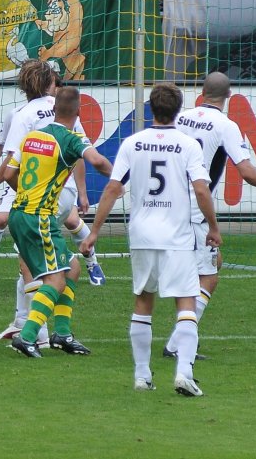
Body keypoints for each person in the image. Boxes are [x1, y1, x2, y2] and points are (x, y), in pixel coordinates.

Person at [81, 83, 222, 396]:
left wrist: (93, 231)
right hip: (177, 236)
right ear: (178, 110)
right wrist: (213, 226)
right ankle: (184, 372)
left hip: (142, 234)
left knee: (144, 300)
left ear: (152, 109)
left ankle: (142, 376)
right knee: (186, 301)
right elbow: (201, 190)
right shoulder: (188, 145)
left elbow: (112, 188)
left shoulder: (133, 143)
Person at [162, 72, 256, 358]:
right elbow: (247, 171)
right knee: (207, 279)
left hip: (167, 206)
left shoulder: (182, 117)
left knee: (210, 265)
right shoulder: (226, 126)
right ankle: (177, 344)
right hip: (194, 210)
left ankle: (179, 339)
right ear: (229, 96)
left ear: (202, 91)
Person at [0, 60, 111, 346]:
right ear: (77, 112)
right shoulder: (71, 138)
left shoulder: (31, 136)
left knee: (69, 268)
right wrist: (122, 176)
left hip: (21, 209)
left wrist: (13, 190)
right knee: (54, 279)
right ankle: (29, 335)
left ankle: (61, 334)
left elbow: (10, 171)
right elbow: (97, 161)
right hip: (40, 215)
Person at [0, 70, 107, 287]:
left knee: (66, 222)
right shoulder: (21, 114)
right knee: (2, 220)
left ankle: (91, 262)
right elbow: (7, 154)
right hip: (26, 181)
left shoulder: (59, 108)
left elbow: (76, 153)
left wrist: (82, 191)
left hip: (54, 181)